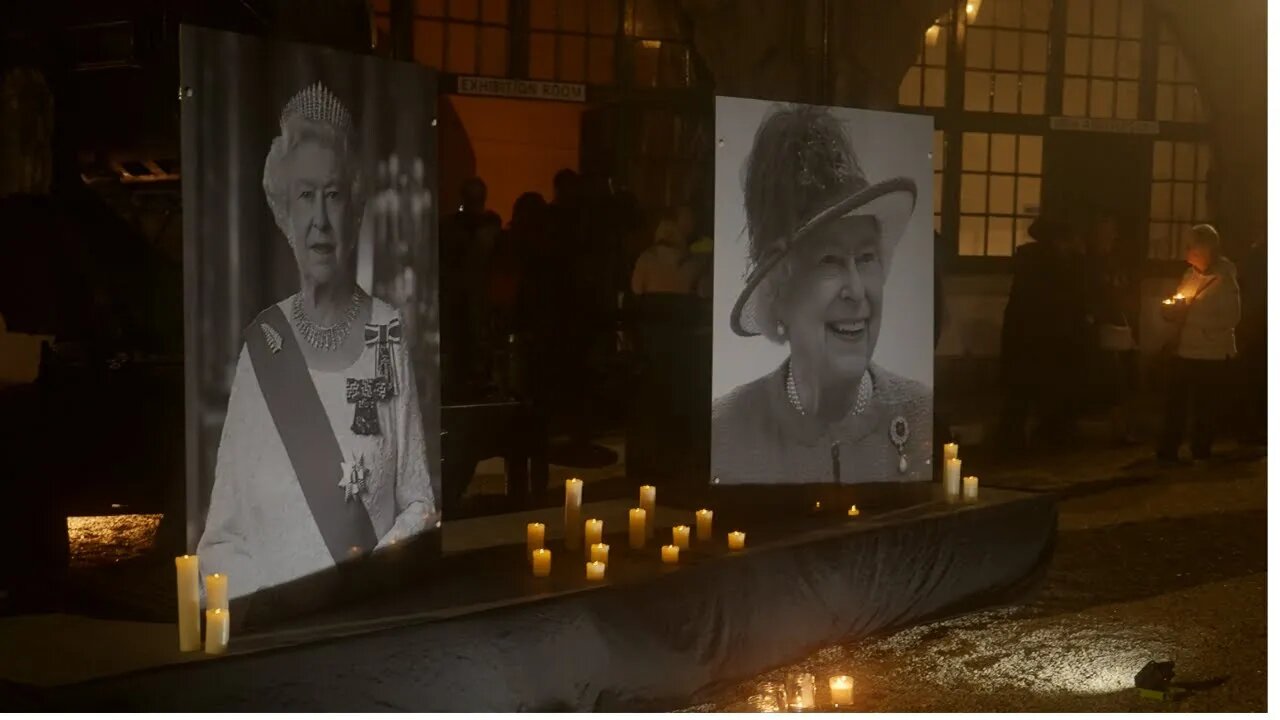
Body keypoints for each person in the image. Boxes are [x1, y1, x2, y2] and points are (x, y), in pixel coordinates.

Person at [198, 82, 438, 602]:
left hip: (361, 618)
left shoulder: (385, 332)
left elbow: (419, 505)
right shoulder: (264, 344)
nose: (320, 221)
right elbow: (220, 538)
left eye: (333, 194)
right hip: (276, 629)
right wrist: (273, 603)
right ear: (284, 213)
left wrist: (358, 588)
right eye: (306, 196)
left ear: (354, 211)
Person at [711, 105, 932, 485]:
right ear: (779, 292)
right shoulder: (727, 430)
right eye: (829, 260)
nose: (857, 290)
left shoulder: (921, 414)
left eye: (865, 258)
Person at [996, 216, 1089, 451]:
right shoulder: (1057, 265)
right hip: (1047, 337)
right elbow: (1065, 301)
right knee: (1047, 390)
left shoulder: (1029, 261)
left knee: (1020, 393)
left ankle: (1013, 440)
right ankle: (1048, 437)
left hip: (1023, 334)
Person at [1157, 224, 1240, 463]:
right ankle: (1168, 449)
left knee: (1205, 405)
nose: (1187, 250)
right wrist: (1170, 310)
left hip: (1211, 353)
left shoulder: (1225, 279)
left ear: (1206, 248)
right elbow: (1180, 301)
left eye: (1191, 245)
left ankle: (1200, 449)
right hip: (1185, 349)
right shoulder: (1189, 275)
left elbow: (1231, 317)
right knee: (1176, 402)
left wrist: (1190, 315)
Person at [1084, 213, 1140, 443]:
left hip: (1117, 323)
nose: (1109, 237)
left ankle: (1123, 426)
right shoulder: (1090, 263)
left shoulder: (1114, 261)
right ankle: (1119, 429)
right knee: (1112, 380)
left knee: (1122, 379)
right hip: (1101, 326)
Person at [631, 215, 699, 296]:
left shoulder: (645, 259)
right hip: (681, 308)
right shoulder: (692, 264)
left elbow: (636, 291)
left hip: (652, 307)